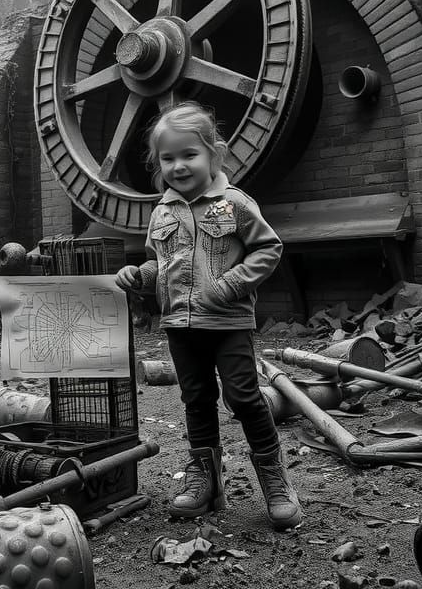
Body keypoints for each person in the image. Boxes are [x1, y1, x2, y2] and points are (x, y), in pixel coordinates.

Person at [115, 101, 303, 531]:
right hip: (179, 325)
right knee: (196, 399)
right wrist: (138, 276)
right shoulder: (161, 212)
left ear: (214, 154)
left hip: (227, 323)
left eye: (189, 154)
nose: (178, 166)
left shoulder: (234, 204)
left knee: (243, 397)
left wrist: (230, 284)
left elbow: (268, 248)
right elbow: (159, 263)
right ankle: (207, 478)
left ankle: (275, 478)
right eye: (168, 158)